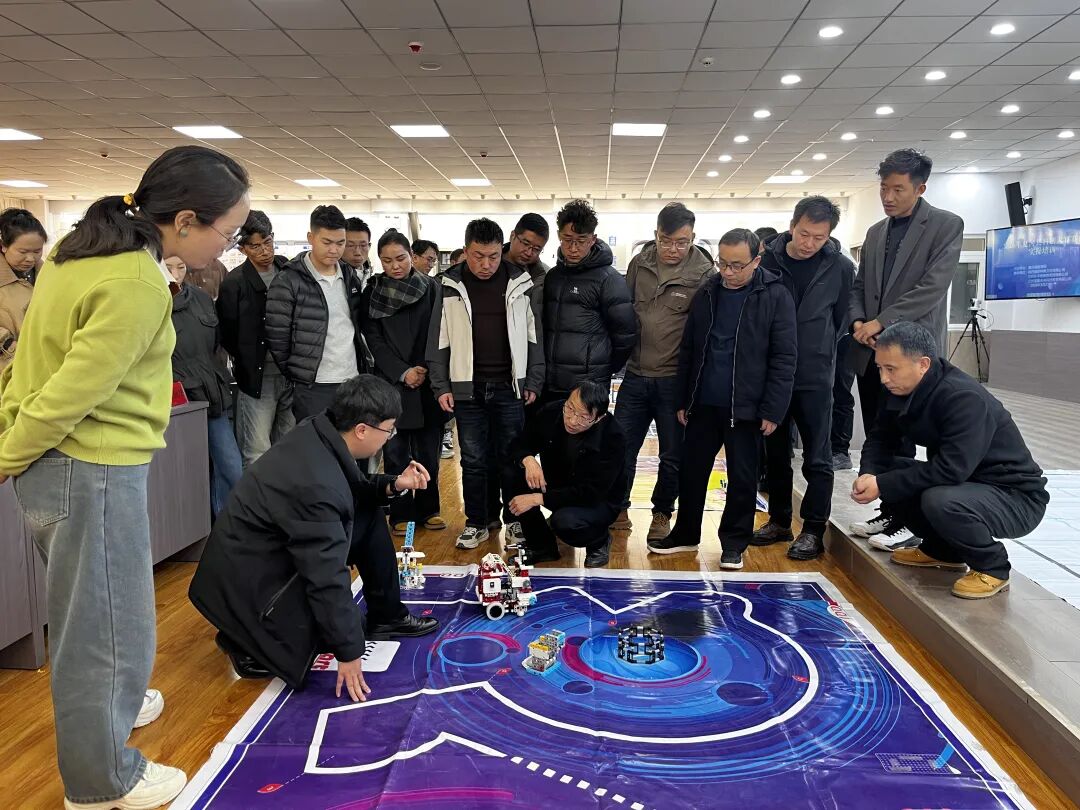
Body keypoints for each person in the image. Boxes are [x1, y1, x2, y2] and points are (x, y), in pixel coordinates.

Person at [0, 145, 250, 809]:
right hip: (92, 470)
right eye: (227, 233)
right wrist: (5, 454)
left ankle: (113, 710)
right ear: (187, 220)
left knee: (93, 618)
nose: (225, 247)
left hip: (66, 470)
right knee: (104, 631)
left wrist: (9, 439)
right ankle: (102, 781)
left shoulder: (78, 251)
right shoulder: (135, 283)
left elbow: (32, 367)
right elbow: (68, 394)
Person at [188, 375, 439, 694]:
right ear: (362, 430)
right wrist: (349, 650)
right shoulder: (315, 483)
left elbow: (352, 490)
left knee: (368, 510)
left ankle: (387, 616)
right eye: (388, 430)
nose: (390, 437)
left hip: (264, 559)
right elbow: (325, 573)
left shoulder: (321, 432)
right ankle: (245, 641)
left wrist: (393, 484)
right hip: (251, 591)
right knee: (311, 642)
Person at [853, 322, 1049, 599]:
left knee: (939, 499)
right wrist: (869, 473)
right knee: (891, 471)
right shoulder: (898, 388)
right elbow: (881, 438)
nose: (884, 378)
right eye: (880, 368)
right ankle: (942, 551)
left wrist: (883, 484)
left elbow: (951, 469)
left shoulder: (962, 397)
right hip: (968, 484)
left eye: (891, 369)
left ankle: (993, 567)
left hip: (1015, 497)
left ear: (923, 364)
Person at [649, 228, 797, 570]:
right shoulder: (708, 291)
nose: (728, 272)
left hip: (747, 406)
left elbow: (784, 357)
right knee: (691, 472)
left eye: (737, 265)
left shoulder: (775, 296)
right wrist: (684, 399)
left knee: (743, 479)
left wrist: (773, 408)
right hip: (704, 402)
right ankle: (686, 533)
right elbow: (689, 349)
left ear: (756, 261)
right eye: (723, 263)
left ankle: (733, 543)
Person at [849, 148, 964, 540]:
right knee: (880, 434)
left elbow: (932, 287)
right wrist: (859, 321)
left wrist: (882, 321)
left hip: (912, 354)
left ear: (920, 188)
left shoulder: (945, 225)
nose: (888, 196)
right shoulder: (875, 232)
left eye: (897, 189)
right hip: (871, 350)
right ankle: (889, 513)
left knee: (910, 436)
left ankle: (913, 522)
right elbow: (859, 286)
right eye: (884, 188)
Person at [429, 217, 544, 550]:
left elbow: (534, 336)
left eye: (493, 256)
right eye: (478, 256)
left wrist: (534, 378)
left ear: (501, 250)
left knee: (512, 458)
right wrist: (441, 385)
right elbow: (438, 340)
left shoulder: (520, 282)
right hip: (467, 389)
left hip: (510, 388)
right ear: (465, 251)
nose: (486, 264)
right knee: (474, 460)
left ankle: (516, 522)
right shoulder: (448, 285)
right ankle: (477, 521)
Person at [753, 196, 854, 561]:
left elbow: (841, 319)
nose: (810, 243)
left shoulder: (840, 267)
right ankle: (780, 521)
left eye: (819, 237)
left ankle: (813, 529)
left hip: (814, 376)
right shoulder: (766, 259)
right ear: (792, 225)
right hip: (771, 376)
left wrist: (818, 346)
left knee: (817, 458)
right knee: (775, 455)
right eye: (805, 234)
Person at [613, 202, 714, 541]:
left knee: (672, 455)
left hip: (673, 380)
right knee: (621, 447)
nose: (673, 249)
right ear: (655, 235)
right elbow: (623, 314)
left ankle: (662, 513)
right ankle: (618, 508)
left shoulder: (704, 274)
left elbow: (703, 334)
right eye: (666, 241)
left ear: (693, 238)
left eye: (681, 242)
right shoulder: (639, 264)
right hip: (635, 375)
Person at [362, 229, 446, 535]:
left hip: (427, 381)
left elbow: (438, 330)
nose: (395, 266)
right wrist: (402, 371)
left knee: (428, 453)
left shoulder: (431, 287)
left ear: (411, 255)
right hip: (391, 384)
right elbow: (373, 339)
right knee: (395, 453)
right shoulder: (373, 292)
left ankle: (429, 509)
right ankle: (400, 513)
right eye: (387, 261)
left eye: (400, 258)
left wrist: (422, 368)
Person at [508, 381, 626, 568]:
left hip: (597, 501)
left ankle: (599, 540)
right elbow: (518, 443)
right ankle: (542, 547)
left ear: (599, 418)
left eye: (583, 417)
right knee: (513, 472)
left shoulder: (613, 436)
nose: (572, 420)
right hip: (559, 485)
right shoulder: (552, 412)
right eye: (570, 408)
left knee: (565, 522)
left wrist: (538, 498)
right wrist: (528, 459)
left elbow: (592, 493)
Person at [265, 205, 367, 421]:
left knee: (351, 440)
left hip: (352, 379)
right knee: (317, 440)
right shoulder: (288, 280)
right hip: (313, 385)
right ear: (311, 238)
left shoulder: (349, 276)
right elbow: (277, 337)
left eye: (340, 243)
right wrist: (299, 374)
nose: (334, 250)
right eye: (327, 242)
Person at [165, 255, 243, 517]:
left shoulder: (200, 298)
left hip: (210, 388)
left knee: (230, 465)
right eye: (168, 267)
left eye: (180, 267)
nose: (175, 274)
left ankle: (225, 524)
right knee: (181, 472)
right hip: (172, 396)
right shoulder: (148, 300)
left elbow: (217, 342)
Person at [218, 210, 294, 467]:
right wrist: (247, 356)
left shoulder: (287, 270)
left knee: (290, 446)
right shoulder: (235, 282)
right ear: (242, 249)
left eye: (268, 242)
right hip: (257, 377)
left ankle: (286, 492)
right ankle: (258, 494)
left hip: (291, 373)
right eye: (255, 246)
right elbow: (228, 333)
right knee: (256, 450)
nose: (264, 251)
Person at [542, 199, 636, 401]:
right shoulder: (553, 277)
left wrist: (603, 368)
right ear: (559, 236)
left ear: (593, 239)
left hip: (589, 385)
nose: (573, 248)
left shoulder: (609, 280)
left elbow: (625, 334)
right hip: (551, 382)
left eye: (581, 240)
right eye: (567, 239)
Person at [0, 208, 45, 368]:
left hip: (40, 360)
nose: (31, 258)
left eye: (37, 251)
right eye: (23, 252)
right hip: (9, 364)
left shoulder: (47, 273)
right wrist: (10, 347)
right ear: (4, 246)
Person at [504, 212, 550, 287]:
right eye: (525, 244)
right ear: (512, 236)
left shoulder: (545, 276)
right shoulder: (489, 265)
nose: (529, 253)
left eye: (536, 249)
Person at [343, 217, 375, 289]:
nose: (357, 252)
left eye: (363, 245)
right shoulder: (333, 274)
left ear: (369, 246)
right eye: (350, 245)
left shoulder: (367, 268)